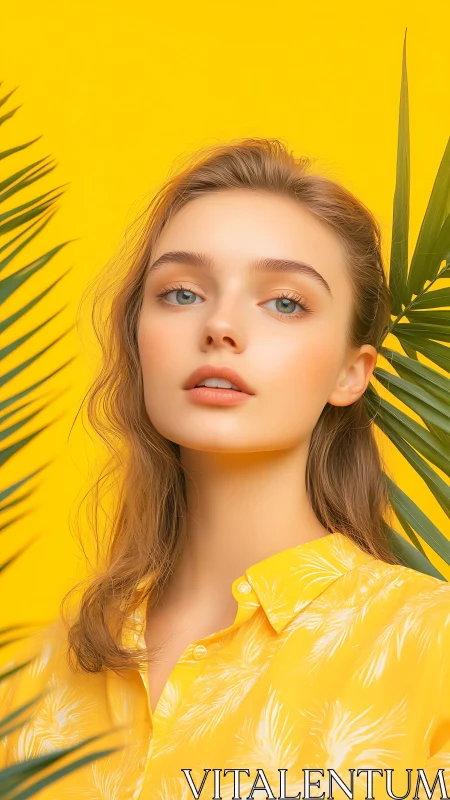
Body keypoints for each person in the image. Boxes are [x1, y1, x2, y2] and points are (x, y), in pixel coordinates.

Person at [1, 138, 449, 800]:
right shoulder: (32, 679)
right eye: (181, 293)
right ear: (138, 338)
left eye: (285, 302)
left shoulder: (430, 650)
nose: (220, 325)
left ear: (352, 374)